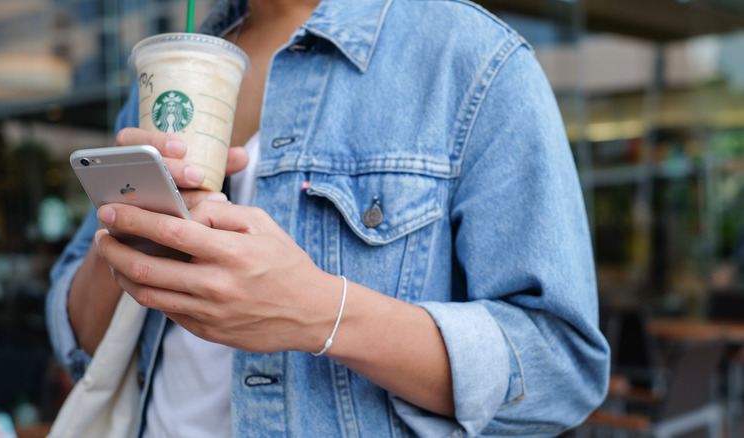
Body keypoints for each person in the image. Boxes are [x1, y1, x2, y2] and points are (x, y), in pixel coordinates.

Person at [46, 0, 611, 436]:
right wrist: (132, 233)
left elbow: (561, 370)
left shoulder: (471, 59)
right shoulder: (173, 73)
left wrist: (320, 312)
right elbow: (80, 339)